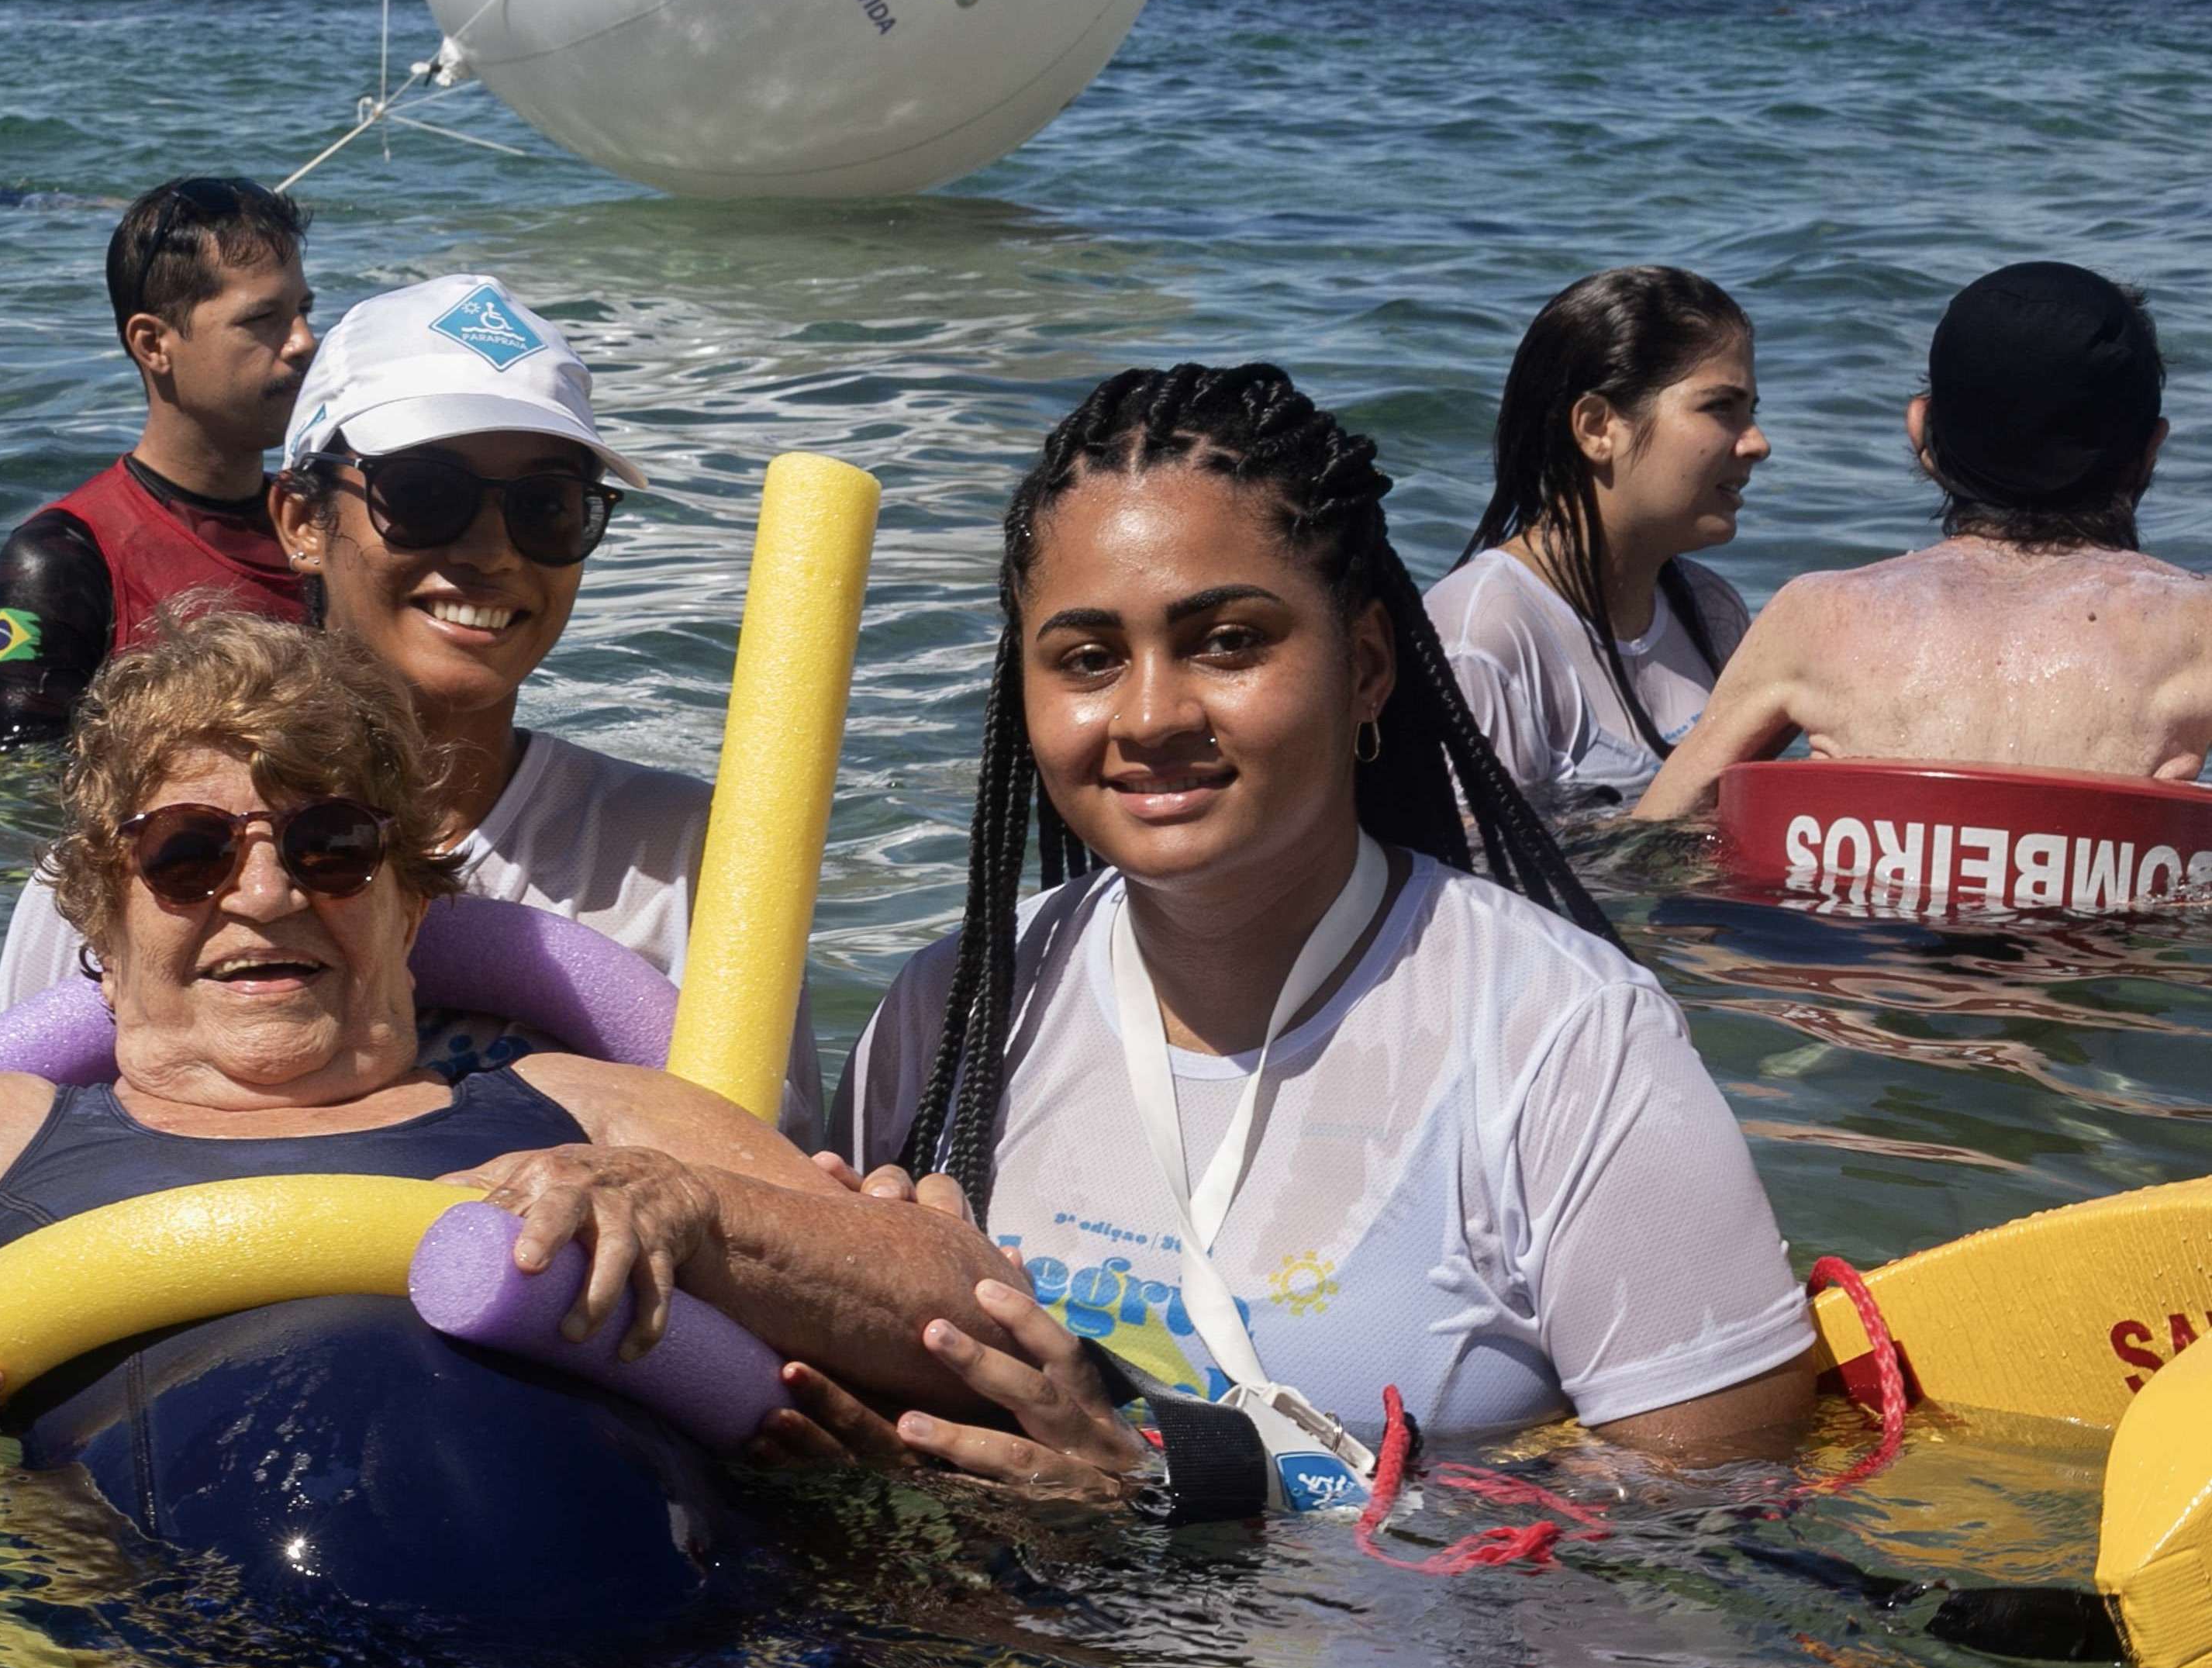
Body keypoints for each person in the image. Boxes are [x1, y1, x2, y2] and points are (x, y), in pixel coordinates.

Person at [0, 613, 1057, 1552]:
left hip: (675, 1649)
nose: (263, 892)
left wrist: (683, 1209)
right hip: (186, 1663)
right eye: (188, 853)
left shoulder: (584, 1107)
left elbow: (955, 1297)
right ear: (99, 920)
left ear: (408, 894)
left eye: (327, 845)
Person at [822, 364, 1818, 1494]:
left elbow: (1721, 1529)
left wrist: (1170, 1501)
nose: (1151, 715)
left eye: (1229, 641)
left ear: (1371, 668)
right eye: (1089, 659)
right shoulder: (961, 1004)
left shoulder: (1568, 1041)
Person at [0, 275, 825, 1135]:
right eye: (423, 494)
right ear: (300, 519)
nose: (491, 551)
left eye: (546, 507)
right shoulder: (141, 857)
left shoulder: (682, 861)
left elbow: (775, 1192)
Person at [1637, 260, 2212, 816]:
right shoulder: (2198, 628)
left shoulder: (1819, 617)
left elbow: (1655, 835)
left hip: (1865, 914)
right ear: (2150, 450)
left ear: (1921, 432)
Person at [0, 178, 319, 751]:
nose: (304, 341)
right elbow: (16, 791)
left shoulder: (321, 526)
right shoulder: (62, 560)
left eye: (303, 310)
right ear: (153, 344)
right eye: (264, 319)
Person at [1427, 267, 1769, 815]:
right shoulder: (1485, 637)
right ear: (1596, 428)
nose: (1757, 443)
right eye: (1719, 408)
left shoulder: (1713, 610)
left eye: (1752, 411)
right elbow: (1475, 881)